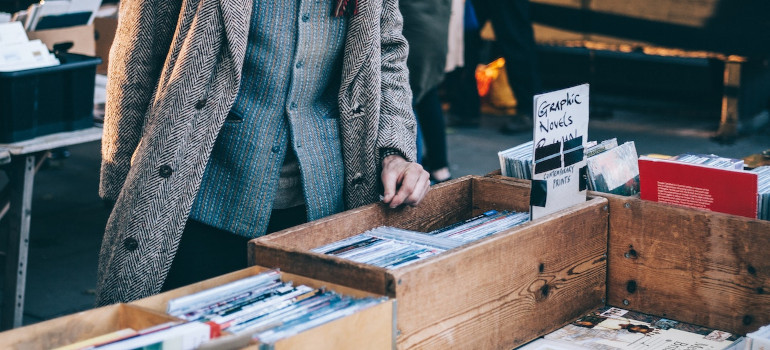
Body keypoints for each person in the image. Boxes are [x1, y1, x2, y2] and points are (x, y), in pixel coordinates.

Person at [95, 0, 430, 306]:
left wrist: (395, 150)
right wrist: (120, 187)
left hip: (324, 206)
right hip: (199, 198)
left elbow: (387, 55)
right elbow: (136, 57)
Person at [400, 0, 454, 183]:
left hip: (413, 27)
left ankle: (413, 176)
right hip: (435, 25)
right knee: (427, 94)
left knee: (407, 101)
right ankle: (440, 169)